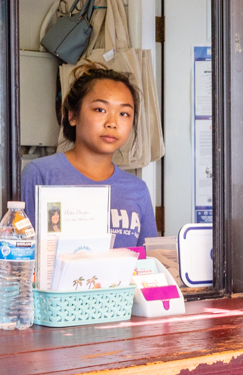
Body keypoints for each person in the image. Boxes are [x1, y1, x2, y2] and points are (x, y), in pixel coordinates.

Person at [21, 64, 157, 248]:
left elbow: (148, 264)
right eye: (100, 109)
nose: (112, 123)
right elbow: (18, 255)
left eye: (124, 113)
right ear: (73, 116)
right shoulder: (41, 174)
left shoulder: (137, 190)